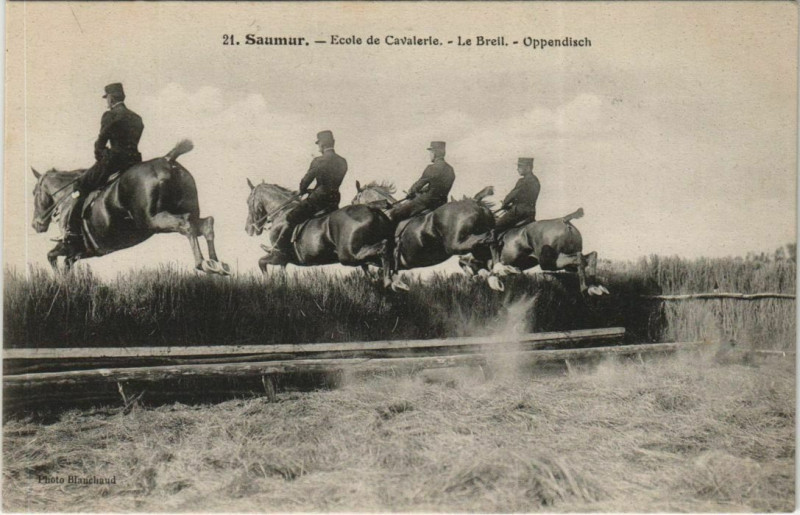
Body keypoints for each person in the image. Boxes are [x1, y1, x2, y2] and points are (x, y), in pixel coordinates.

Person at [59, 83, 144, 243]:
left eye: (107, 98)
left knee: (80, 186)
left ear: (111, 98)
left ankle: (73, 231)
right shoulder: (137, 118)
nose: (107, 102)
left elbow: (100, 143)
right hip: (134, 161)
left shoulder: (109, 115)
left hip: (114, 161)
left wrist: (102, 157)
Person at [272, 130, 348, 258]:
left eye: (318, 144)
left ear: (322, 145)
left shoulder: (319, 161)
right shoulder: (342, 161)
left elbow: (306, 180)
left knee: (291, 217)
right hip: (334, 200)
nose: (318, 147)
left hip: (318, 199)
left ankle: (280, 250)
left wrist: (303, 190)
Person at [389, 141, 455, 222]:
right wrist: (425, 189)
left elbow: (419, 184)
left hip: (425, 202)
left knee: (395, 213)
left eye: (431, 152)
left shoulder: (431, 168)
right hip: (441, 203)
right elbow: (438, 185)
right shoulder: (450, 169)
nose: (430, 155)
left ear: (435, 153)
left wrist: (411, 192)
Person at [494, 157, 540, 234]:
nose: (517, 169)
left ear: (528, 168)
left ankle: (494, 244)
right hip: (531, 213)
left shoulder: (523, 181)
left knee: (496, 226)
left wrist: (505, 203)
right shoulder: (536, 180)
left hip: (518, 212)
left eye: (520, 166)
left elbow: (513, 194)